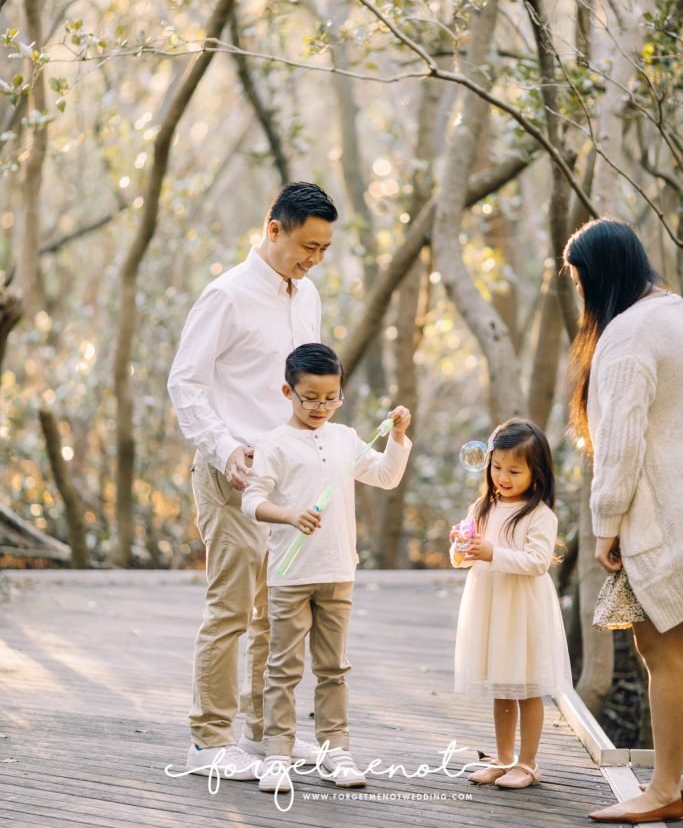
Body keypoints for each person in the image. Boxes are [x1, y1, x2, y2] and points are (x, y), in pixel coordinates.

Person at [167, 182, 338, 779]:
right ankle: (208, 741)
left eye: (322, 248)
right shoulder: (226, 296)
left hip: (287, 479)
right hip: (230, 474)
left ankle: (266, 734)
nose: (313, 258)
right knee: (232, 609)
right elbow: (185, 383)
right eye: (306, 245)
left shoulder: (308, 294)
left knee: (280, 613)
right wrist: (224, 448)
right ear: (273, 228)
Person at [241, 343, 412, 793]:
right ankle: (277, 752)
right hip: (289, 575)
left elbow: (386, 476)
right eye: (310, 397)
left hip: (338, 570)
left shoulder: (345, 438)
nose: (321, 406)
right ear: (287, 391)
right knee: (282, 667)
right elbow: (251, 499)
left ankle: (336, 749)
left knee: (334, 667)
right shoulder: (275, 444)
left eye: (331, 397)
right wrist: (289, 514)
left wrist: (396, 437)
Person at [564, 217, 683, 825]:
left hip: (662, 515)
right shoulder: (677, 312)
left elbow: (621, 445)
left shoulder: (628, 337)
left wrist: (605, 526)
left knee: (660, 648)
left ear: (597, 276)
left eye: (580, 280)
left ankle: (664, 788)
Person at [452, 418, 572, 790]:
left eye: (514, 470)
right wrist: (461, 546)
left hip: (522, 610)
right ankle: (503, 760)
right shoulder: (483, 506)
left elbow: (536, 562)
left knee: (527, 686)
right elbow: (465, 556)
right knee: (501, 686)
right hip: (490, 606)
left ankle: (528, 762)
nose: (502, 477)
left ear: (536, 474)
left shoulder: (540, 516)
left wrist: (492, 552)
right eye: (497, 467)